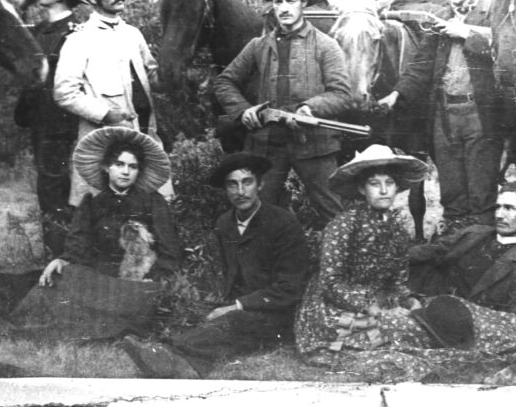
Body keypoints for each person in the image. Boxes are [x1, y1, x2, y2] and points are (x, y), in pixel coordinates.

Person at [120, 152, 311, 378]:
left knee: (232, 321)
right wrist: (217, 305)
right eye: (232, 185)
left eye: (247, 182)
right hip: (237, 305)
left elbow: (291, 288)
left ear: (260, 185)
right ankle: (168, 353)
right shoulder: (225, 223)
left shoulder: (283, 223)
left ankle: (173, 358)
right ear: (225, 189)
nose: (240, 192)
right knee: (199, 316)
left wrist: (237, 305)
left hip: (275, 312)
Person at [214, 0, 353, 227]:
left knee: (334, 214)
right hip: (268, 145)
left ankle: (344, 263)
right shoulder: (258, 45)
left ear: (303, 4)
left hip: (314, 144)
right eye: (278, 2)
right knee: (259, 214)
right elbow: (224, 82)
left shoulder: (326, 45)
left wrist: (311, 107)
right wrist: (244, 111)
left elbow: (343, 93)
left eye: (290, 1)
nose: (284, 8)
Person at [379, 0, 502, 230]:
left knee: (481, 193)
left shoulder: (492, 13)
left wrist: (467, 34)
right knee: (452, 193)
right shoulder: (443, 16)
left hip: (479, 117)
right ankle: (453, 250)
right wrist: (397, 94)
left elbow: (506, 51)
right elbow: (421, 64)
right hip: (444, 117)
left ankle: (479, 250)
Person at [293, 144, 428, 361]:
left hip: (376, 303)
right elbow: (330, 284)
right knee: (402, 331)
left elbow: (397, 282)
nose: (384, 191)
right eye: (375, 184)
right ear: (361, 189)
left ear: (397, 187)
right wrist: (373, 308)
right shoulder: (343, 225)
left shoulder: (398, 231)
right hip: (333, 309)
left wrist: (409, 300)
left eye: (389, 183)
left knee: (421, 321)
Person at [54, 0, 171, 205]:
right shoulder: (79, 39)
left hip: (145, 134)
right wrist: (105, 114)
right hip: (107, 142)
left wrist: (175, 73)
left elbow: (153, 77)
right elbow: (64, 93)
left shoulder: (133, 34)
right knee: (106, 210)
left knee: (153, 206)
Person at [39, 127, 181, 286]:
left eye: (132, 167)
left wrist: (157, 277)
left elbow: (169, 249)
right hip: (100, 278)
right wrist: (63, 260)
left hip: (142, 279)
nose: (126, 172)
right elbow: (78, 245)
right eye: (119, 164)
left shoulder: (152, 201)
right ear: (106, 167)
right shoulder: (92, 203)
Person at [14, 0, 86, 257]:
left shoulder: (75, 32)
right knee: (48, 189)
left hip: (63, 124)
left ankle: (64, 256)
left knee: (61, 190)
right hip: (40, 123)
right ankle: (53, 255)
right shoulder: (38, 31)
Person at [408, 180, 516, 320]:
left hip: (463, 324)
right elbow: (431, 250)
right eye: (498, 207)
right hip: (424, 298)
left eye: (508, 208)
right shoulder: (476, 232)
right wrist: (394, 258)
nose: (499, 215)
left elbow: (515, 320)